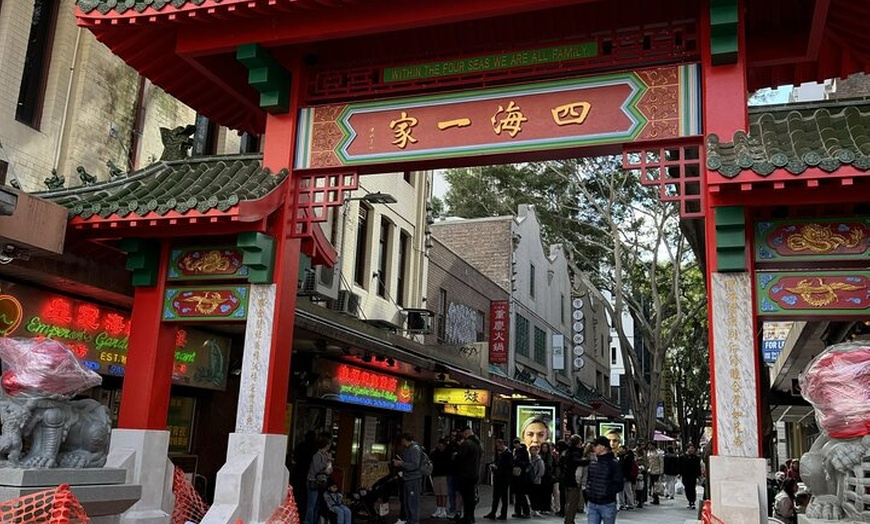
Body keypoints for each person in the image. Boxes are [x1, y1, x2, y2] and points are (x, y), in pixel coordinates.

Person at [584, 436, 623, 524]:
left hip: (607, 503)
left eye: (596, 445)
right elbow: (589, 479)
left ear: (603, 447)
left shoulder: (613, 464)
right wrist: (588, 491)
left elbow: (619, 484)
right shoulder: (594, 463)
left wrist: (607, 492)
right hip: (592, 502)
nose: (593, 448)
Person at [392, 433, 424, 524]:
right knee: (408, 502)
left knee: (412, 502)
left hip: (413, 479)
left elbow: (414, 465)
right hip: (408, 478)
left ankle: (413, 521)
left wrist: (401, 464)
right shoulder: (409, 449)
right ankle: (410, 520)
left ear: (405, 440)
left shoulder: (414, 449)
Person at [454, 427, 482, 524]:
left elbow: (460, 458)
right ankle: (471, 516)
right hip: (474, 474)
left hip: (465, 474)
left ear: (466, 433)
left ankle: (467, 517)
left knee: (466, 497)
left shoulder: (466, 444)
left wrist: (455, 456)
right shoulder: (478, 444)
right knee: (471, 497)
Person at [305, 432, 333, 524]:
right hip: (313, 481)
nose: (330, 445)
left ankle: (316, 521)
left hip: (321, 482)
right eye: (329, 444)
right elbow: (317, 468)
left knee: (318, 504)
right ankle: (309, 521)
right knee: (311, 504)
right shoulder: (317, 455)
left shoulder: (325, 455)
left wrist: (328, 463)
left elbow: (330, 469)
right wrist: (326, 464)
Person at [559, 435, 587, 524]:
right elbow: (576, 462)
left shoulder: (566, 452)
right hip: (573, 480)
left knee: (569, 502)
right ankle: (569, 520)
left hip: (566, 479)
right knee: (573, 503)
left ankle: (568, 519)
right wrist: (587, 460)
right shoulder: (576, 452)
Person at [484, 438, 513, 520]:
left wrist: (498, 467)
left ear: (502, 444)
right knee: (495, 496)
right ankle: (493, 512)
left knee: (504, 497)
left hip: (504, 478)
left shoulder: (508, 454)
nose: (498, 449)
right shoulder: (499, 453)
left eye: (498, 447)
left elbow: (509, 466)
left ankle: (503, 514)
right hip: (498, 478)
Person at [292, 430, 317, 519]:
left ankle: (298, 514)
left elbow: (295, 457)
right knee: (308, 498)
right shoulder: (314, 448)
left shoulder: (300, 446)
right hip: (308, 473)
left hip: (299, 472)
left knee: (299, 495)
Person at [430, 438, 452, 518]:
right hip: (436, 475)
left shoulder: (447, 453)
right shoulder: (435, 453)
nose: (440, 447)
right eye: (439, 445)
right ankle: (438, 509)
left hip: (444, 475)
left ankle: (443, 510)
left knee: (443, 493)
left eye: (441, 446)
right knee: (437, 493)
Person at [679, 444, 703, 510]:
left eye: (693, 448)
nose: (692, 450)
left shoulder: (696, 458)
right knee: (687, 488)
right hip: (685, 475)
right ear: (687, 449)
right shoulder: (682, 457)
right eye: (691, 448)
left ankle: (692, 501)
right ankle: (689, 500)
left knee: (692, 488)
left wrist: (699, 475)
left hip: (693, 475)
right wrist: (679, 473)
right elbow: (680, 466)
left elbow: (698, 467)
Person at [512, 441, 531, 519]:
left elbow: (526, 462)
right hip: (517, 476)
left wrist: (519, 463)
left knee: (521, 494)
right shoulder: (515, 451)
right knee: (518, 495)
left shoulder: (523, 452)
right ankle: (518, 511)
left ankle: (526, 511)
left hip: (521, 475)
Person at [446, 429, 462, 519]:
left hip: (457, 472)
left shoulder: (460, 446)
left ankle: (456, 509)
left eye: (455, 436)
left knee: (456, 492)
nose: (453, 438)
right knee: (452, 492)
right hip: (451, 471)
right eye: (452, 436)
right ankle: (453, 509)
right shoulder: (450, 446)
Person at [540, 442, 558, 513]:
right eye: (543, 447)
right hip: (542, 477)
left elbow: (554, 466)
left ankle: (547, 508)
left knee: (548, 493)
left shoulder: (551, 456)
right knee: (541, 493)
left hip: (549, 477)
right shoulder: (540, 456)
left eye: (546, 447)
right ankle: (542, 508)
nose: (544, 449)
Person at [528, 444, 545, 516]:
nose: (532, 452)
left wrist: (537, 477)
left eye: (534, 450)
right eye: (531, 450)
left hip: (537, 480)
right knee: (531, 495)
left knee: (536, 495)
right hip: (530, 480)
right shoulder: (529, 459)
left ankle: (536, 509)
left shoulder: (539, 460)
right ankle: (533, 508)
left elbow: (541, 470)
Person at [617, 446, 636, 510]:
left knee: (628, 490)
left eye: (621, 449)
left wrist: (626, 476)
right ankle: (622, 504)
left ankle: (630, 504)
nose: (619, 450)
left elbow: (628, 468)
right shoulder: (620, 457)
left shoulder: (627, 457)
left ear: (624, 450)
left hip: (625, 477)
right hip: (620, 476)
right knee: (621, 491)